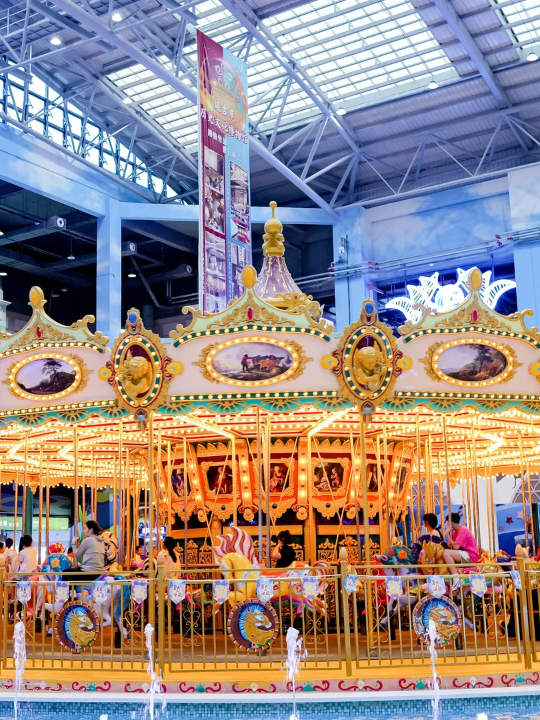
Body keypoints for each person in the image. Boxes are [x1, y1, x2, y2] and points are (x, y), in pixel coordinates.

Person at [442, 512, 480, 581]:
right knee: (444, 552)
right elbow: (450, 546)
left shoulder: (463, 530)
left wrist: (447, 535)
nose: (446, 525)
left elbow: (456, 547)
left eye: (447, 522)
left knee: (446, 553)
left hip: (470, 555)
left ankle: (455, 577)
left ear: (450, 522)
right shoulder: (455, 532)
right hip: (465, 554)